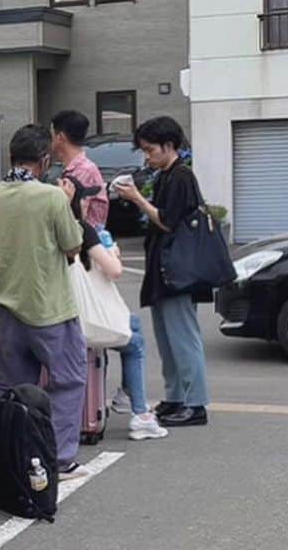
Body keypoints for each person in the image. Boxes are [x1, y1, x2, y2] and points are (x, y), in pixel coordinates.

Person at [0, 124, 90, 481]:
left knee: (10, 385)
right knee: (68, 380)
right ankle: (58, 459)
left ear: (11, 156)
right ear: (44, 160)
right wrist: (73, 204)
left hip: (6, 306)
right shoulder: (51, 197)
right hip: (48, 306)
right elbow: (73, 246)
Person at [117, 115, 210, 428]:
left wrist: (137, 198)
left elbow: (167, 220)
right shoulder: (165, 175)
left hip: (177, 271)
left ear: (169, 146)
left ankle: (195, 404)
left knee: (183, 338)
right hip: (165, 269)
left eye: (150, 149)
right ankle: (175, 398)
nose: (147, 156)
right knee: (167, 338)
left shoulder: (181, 176)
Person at [60, 179, 167, 442]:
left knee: (135, 326)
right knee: (136, 343)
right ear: (77, 202)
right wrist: (114, 253)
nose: (88, 203)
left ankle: (125, 396)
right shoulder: (84, 230)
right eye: (84, 198)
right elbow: (114, 271)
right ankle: (140, 414)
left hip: (66, 314)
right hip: (90, 321)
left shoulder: (54, 228)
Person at [49, 110, 109, 228]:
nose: (50, 141)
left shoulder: (84, 171)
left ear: (60, 137)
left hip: (85, 242)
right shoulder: (75, 168)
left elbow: (74, 216)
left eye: (51, 135)